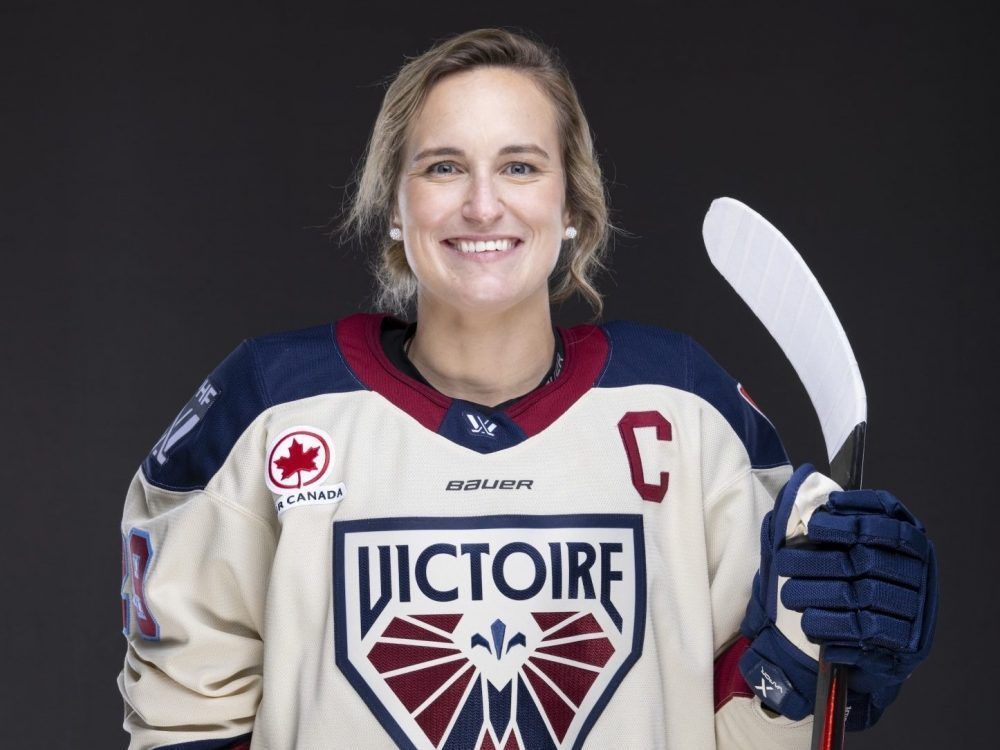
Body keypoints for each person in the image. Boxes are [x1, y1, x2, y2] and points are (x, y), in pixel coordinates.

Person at [118, 28, 937, 750]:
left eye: (519, 165)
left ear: (571, 204)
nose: (482, 204)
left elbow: (758, 712)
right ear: (395, 207)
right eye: (443, 167)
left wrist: (826, 651)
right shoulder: (270, 404)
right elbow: (185, 715)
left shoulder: (686, 405)